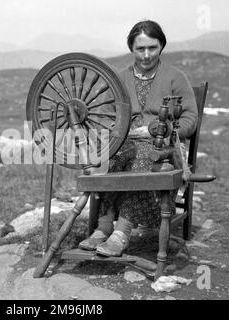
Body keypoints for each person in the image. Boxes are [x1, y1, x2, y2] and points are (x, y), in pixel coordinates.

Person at [78, 20, 198, 257]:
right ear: (131, 49)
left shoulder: (175, 77)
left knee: (144, 159)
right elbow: (107, 115)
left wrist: (161, 130)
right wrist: (117, 131)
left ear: (161, 46)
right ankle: (103, 227)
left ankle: (122, 232)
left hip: (162, 148)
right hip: (125, 142)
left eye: (152, 48)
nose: (146, 55)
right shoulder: (119, 78)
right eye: (140, 49)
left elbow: (190, 118)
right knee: (107, 158)